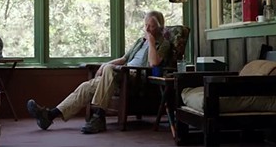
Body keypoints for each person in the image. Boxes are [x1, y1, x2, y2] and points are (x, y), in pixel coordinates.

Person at [26, 10, 172, 134]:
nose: (147, 29)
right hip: (120, 74)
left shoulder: (163, 44)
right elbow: (124, 58)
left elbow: (154, 63)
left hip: (135, 77)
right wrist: (105, 64)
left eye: (151, 26)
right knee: (86, 86)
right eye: (145, 25)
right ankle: (49, 116)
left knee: (109, 70)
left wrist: (152, 42)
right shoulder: (140, 42)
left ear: (160, 28)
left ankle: (99, 116)